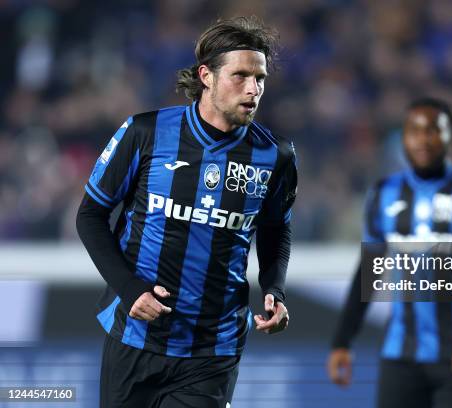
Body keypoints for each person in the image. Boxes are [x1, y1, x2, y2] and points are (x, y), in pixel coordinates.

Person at [76, 17, 297, 408]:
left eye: (260, 78)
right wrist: (129, 290)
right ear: (206, 76)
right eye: (240, 75)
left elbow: (276, 230)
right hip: (136, 336)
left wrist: (275, 288)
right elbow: (91, 216)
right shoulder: (145, 133)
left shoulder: (275, 155)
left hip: (214, 349)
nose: (253, 89)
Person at [327, 97, 452, 408]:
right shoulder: (383, 194)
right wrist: (342, 341)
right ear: (403, 138)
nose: (423, 140)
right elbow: (368, 273)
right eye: (414, 131)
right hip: (400, 357)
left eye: (433, 131)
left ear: (451, 137)